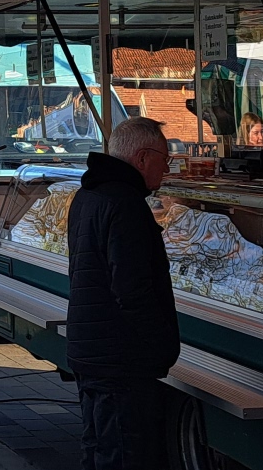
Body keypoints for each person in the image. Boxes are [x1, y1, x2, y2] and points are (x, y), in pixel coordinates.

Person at [66, 116, 179, 470]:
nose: (167, 167)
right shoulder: (125, 204)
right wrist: (159, 344)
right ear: (143, 158)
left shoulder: (88, 196)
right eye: (165, 158)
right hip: (121, 359)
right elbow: (131, 289)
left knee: (99, 447)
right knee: (125, 454)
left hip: (91, 348)